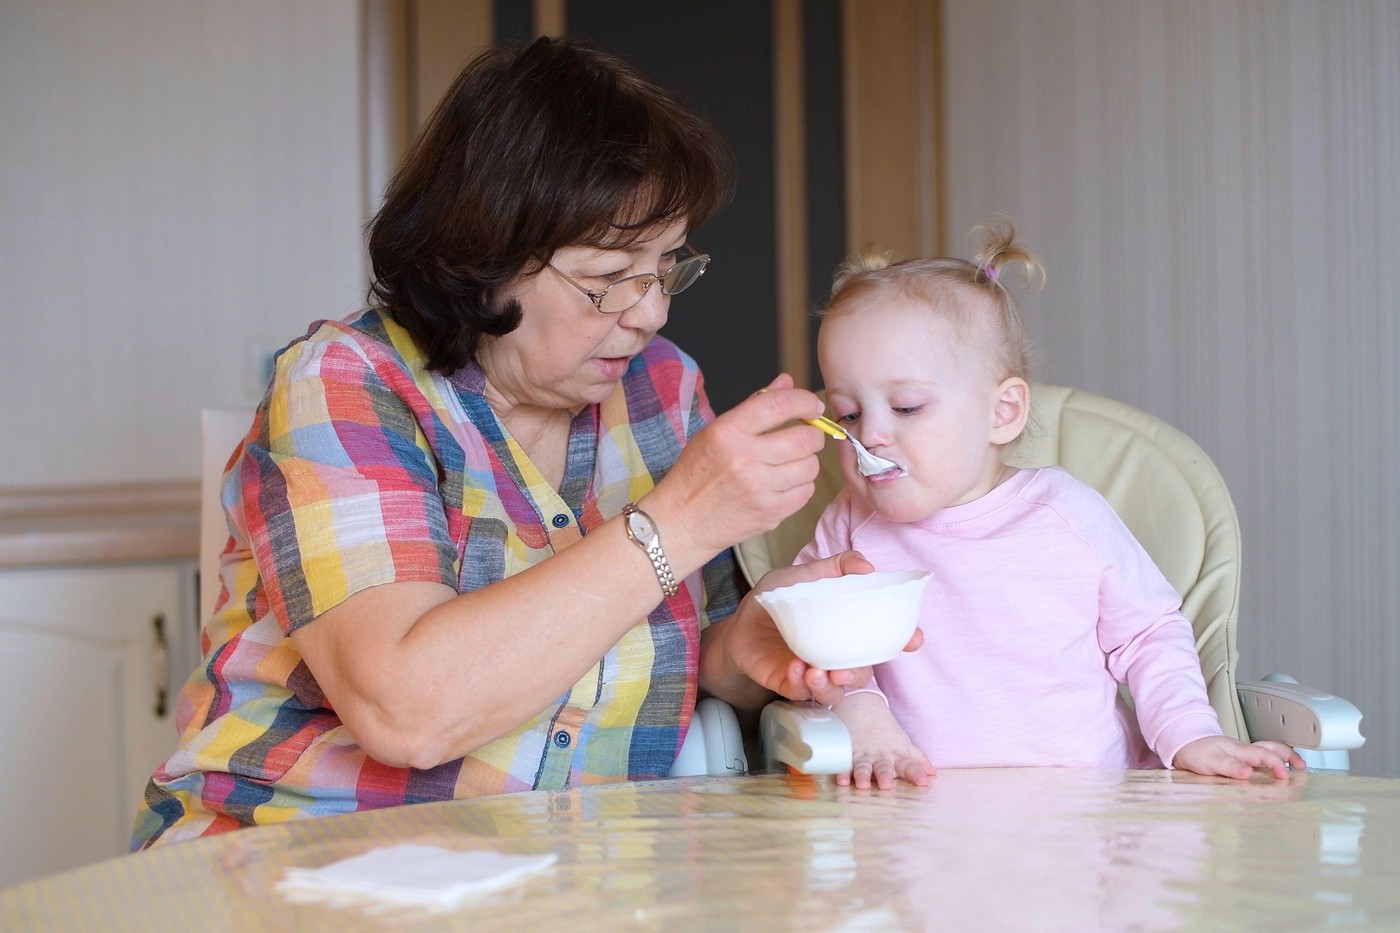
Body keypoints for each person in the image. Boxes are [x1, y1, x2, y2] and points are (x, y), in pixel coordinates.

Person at [131, 36, 903, 849]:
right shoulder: (350, 382)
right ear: (487, 254)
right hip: (302, 847)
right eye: (611, 275)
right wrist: (676, 522)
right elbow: (407, 711)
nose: (650, 312)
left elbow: (692, 654)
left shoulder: (664, 389)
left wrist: (753, 647)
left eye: (667, 266)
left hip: (572, 864)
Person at [795, 219, 1305, 790]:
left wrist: (1190, 734)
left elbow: (1148, 635)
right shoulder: (849, 527)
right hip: (913, 805)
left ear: (1003, 412)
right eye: (847, 413)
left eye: (908, 406)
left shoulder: (1065, 514)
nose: (873, 436)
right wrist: (867, 723)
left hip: (1087, 805)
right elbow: (813, 646)